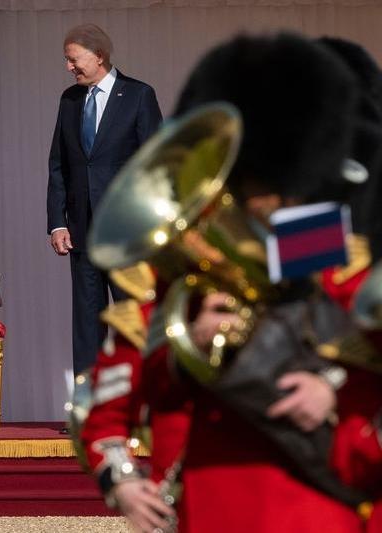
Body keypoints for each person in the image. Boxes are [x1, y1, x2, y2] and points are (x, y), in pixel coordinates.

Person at [81, 33, 375, 532]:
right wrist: (123, 479)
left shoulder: (332, 250)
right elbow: (105, 398)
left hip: (318, 501)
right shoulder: (174, 270)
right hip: (206, 503)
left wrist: (332, 391)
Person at [47, 23, 162, 378]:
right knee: (87, 324)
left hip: (126, 235)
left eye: (74, 59)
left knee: (132, 322)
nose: (69, 67)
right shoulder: (69, 100)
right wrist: (58, 221)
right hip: (82, 232)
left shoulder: (139, 95)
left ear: (99, 56)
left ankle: (135, 407)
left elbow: (154, 164)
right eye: (66, 60)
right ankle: (88, 404)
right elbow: (59, 164)